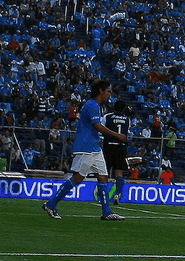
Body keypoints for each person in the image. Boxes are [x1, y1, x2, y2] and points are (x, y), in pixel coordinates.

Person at [42, 80, 127, 221]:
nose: (109, 94)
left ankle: (106, 212)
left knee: (103, 176)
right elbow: (98, 126)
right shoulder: (92, 105)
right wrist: (118, 135)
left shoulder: (95, 105)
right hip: (85, 148)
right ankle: (51, 204)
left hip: (95, 148)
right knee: (78, 178)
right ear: (101, 90)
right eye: (108, 91)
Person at [101, 99, 132, 205]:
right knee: (119, 172)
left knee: (105, 172)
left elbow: (101, 129)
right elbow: (127, 134)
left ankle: (103, 197)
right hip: (121, 147)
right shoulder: (127, 119)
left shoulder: (107, 117)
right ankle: (117, 194)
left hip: (109, 145)